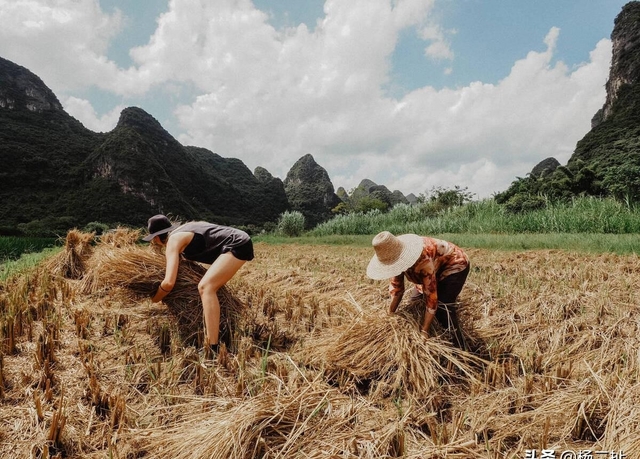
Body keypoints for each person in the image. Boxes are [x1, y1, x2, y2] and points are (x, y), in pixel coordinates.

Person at [142, 214, 254, 354]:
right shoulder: (182, 231)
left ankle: (212, 347)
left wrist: (156, 297)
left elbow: (169, 283)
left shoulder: (173, 241)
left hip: (236, 244)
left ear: (156, 238)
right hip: (238, 240)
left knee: (206, 287)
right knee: (207, 285)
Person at [366, 231, 470, 348]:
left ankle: (458, 347)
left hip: (454, 264)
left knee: (443, 307)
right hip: (433, 264)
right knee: (414, 303)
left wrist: (424, 331)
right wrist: (390, 314)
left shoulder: (422, 261)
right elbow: (397, 290)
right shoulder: (392, 255)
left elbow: (431, 297)